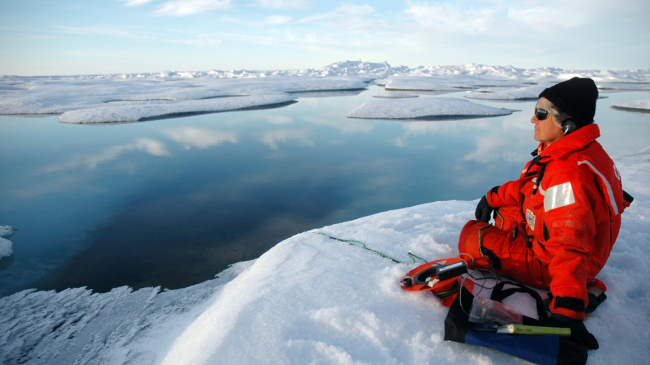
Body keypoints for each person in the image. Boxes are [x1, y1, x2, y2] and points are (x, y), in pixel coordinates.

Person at [457, 77, 633, 350]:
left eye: (541, 114)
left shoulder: (567, 175)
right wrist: (493, 196)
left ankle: (584, 291)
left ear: (567, 123)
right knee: (505, 212)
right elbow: (532, 188)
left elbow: (568, 245)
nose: (533, 120)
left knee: (471, 238)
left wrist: (568, 311)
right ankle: (576, 283)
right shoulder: (574, 150)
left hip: (561, 263)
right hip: (579, 245)